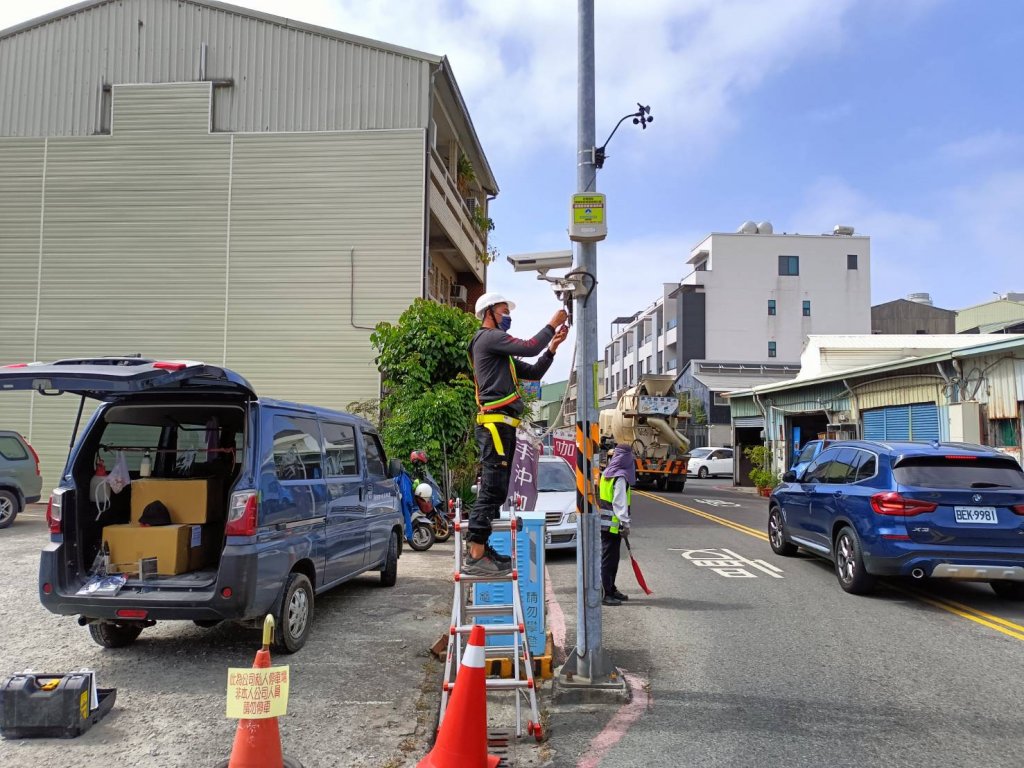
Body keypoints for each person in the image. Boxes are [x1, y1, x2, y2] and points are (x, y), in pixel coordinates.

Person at [464, 292, 569, 575]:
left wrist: (553, 349)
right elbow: (530, 346)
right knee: (492, 486)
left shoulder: (502, 357)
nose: (507, 316)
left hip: (502, 425)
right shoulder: (487, 338)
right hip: (494, 424)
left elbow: (534, 371)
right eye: (503, 310)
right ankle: (475, 553)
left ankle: (481, 548)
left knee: (497, 488)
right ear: (489, 312)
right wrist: (551, 325)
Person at [599, 443, 635, 606]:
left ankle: (612, 588)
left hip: (605, 524)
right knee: (609, 560)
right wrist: (625, 525)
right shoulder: (620, 477)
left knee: (612, 559)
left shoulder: (607, 472)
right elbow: (619, 504)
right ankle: (607, 593)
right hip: (613, 526)